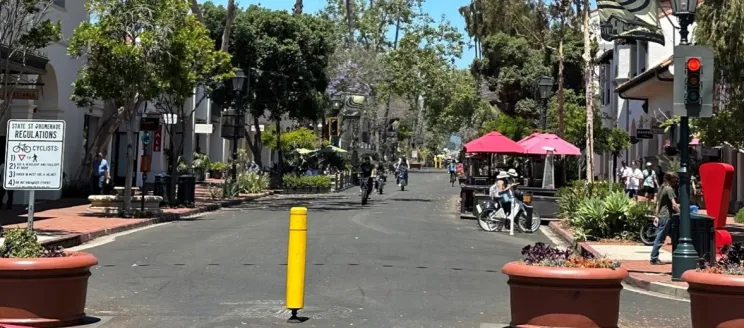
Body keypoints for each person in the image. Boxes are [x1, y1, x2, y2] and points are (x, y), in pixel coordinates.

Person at [650, 171, 681, 265]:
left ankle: (677, 256)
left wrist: (656, 215)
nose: (676, 181)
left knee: (675, 237)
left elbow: (658, 203)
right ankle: (654, 258)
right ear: (670, 179)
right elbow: (674, 205)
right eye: (675, 179)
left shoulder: (662, 187)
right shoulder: (669, 189)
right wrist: (682, 214)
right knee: (660, 238)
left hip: (663, 216)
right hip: (666, 217)